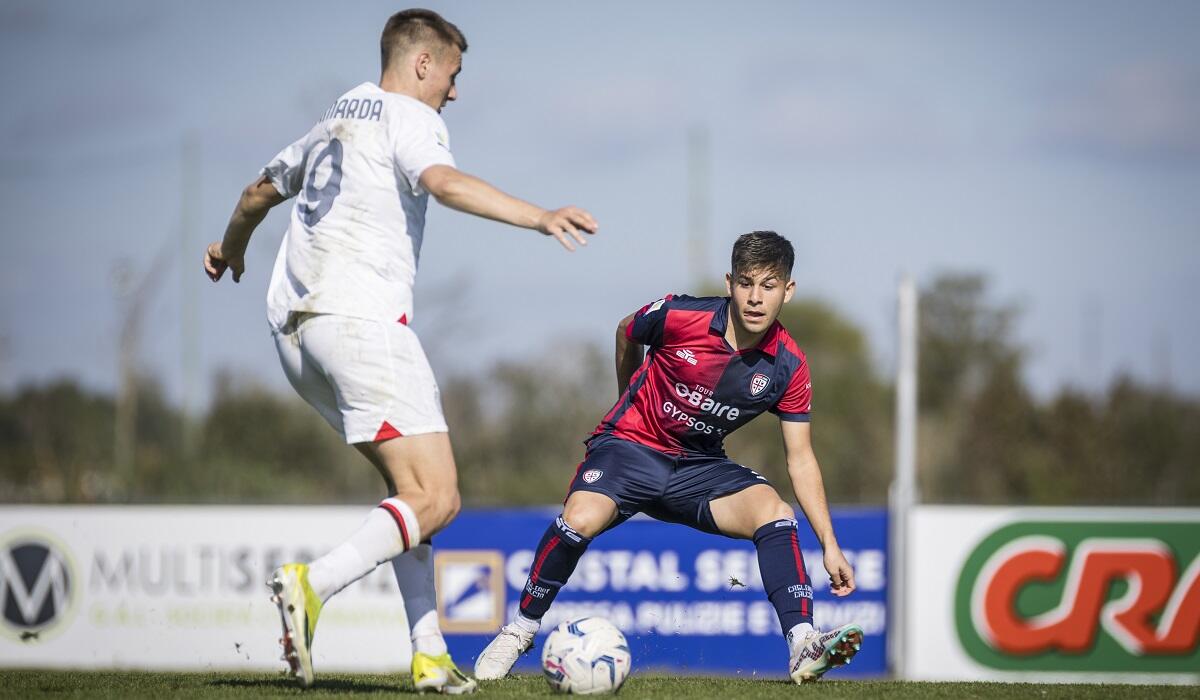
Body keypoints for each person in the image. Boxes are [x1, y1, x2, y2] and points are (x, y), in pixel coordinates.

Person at [203, 8, 598, 692]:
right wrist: (538, 215)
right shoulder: (408, 116)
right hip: (360, 321)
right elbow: (442, 183)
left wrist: (229, 249)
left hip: (296, 334)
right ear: (423, 64)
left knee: (407, 493)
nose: (455, 90)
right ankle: (312, 583)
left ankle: (428, 655)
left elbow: (254, 194)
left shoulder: (335, 118)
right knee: (439, 497)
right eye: (453, 73)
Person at [474, 231, 861, 684]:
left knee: (774, 512)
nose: (755, 298)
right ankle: (519, 631)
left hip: (699, 468)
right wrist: (626, 398)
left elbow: (801, 458)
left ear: (788, 291)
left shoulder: (789, 365)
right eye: (745, 282)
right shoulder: (682, 315)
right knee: (577, 520)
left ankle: (802, 643)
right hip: (630, 447)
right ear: (729, 282)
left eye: (769, 285)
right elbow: (626, 329)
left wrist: (830, 545)